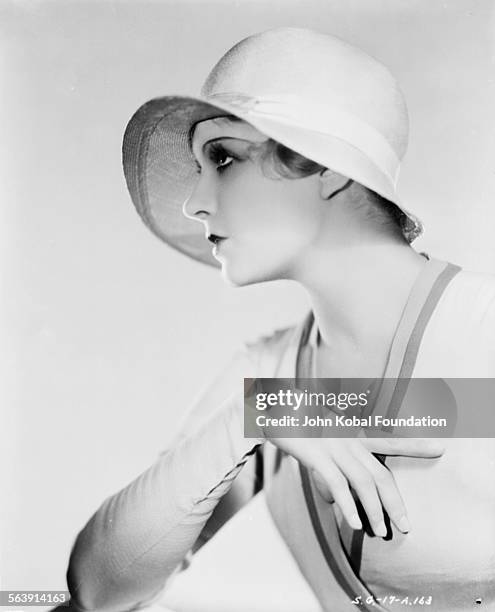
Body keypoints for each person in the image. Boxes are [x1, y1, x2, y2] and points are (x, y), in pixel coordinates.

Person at [65, 28, 495, 612]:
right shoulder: (269, 375)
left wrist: (319, 407)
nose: (194, 202)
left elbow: (458, 408)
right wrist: (254, 416)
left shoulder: (482, 323)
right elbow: (97, 594)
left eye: (222, 156)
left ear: (328, 166)